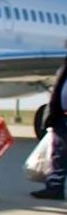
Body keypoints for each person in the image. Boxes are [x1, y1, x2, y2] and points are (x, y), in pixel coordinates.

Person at [32, 56, 66, 200]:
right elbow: (57, 92)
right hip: (63, 117)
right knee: (58, 155)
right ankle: (54, 187)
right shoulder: (65, 68)